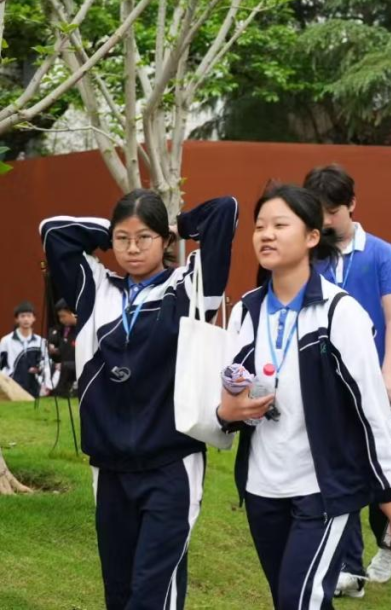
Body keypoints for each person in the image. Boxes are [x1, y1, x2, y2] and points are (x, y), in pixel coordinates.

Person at [215, 184, 391, 609]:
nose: (266, 235)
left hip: (323, 487)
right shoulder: (247, 310)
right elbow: (230, 390)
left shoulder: (340, 312)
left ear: (311, 236)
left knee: (298, 599)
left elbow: (371, 408)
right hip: (263, 486)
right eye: (260, 226)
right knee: (294, 599)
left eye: (280, 225)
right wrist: (227, 410)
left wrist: (390, 486)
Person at [40, 191, 239, 610]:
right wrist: (110, 229)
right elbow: (53, 232)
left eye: (144, 237)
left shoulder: (190, 286)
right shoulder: (95, 289)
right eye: (123, 239)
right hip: (109, 466)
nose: (132, 248)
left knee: (153, 594)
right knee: (119, 592)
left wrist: (178, 225)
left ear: (164, 240)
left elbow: (225, 211)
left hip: (171, 464)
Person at [303, 164, 391, 594]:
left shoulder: (380, 252)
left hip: (370, 379)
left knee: (377, 468)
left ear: (352, 204)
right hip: (326, 384)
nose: (326, 221)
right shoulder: (312, 253)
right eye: (319, 212)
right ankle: (350, 569)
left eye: (333, 211)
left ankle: (390, 537)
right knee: (340, 471)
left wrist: (389, 369)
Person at [0, 302, 51, 398]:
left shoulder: (41, 341)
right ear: (17, 319)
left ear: (34, 318)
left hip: (34, 386)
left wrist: (47, 384)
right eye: (22, 316)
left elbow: (46, 364)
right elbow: (1, 364)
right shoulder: (6, 341)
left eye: (29, 316)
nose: (26, 319)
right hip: (12, 385)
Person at [46, 299, 78, 398]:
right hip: (63, 370)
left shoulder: (84, 330)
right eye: (59, 316)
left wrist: (64, 365)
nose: (61, 319)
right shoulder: (61, 330)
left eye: (63, 316)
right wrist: (54, 351)